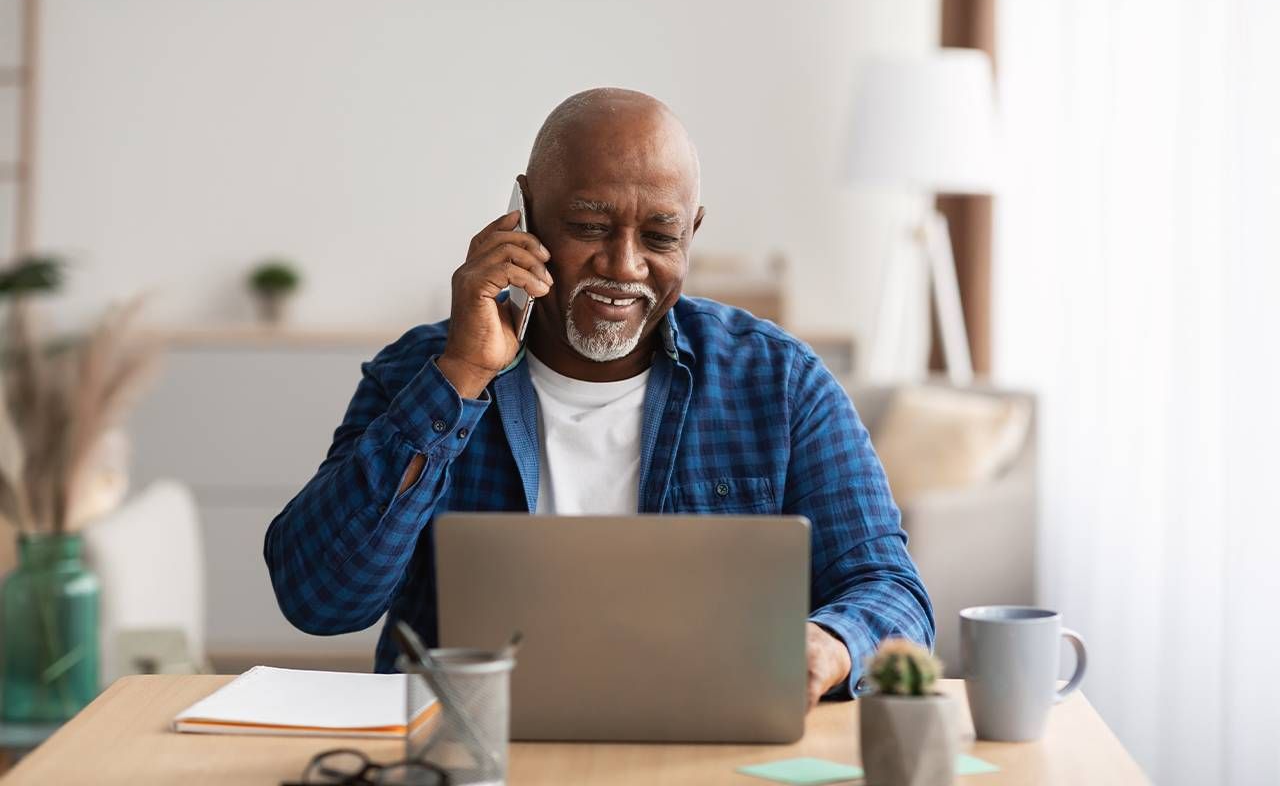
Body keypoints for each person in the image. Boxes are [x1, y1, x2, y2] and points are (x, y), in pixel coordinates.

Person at [264, 87, 933, 708]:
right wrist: (462, 374)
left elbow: (892, 591)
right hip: (471, 750)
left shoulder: (779, 382)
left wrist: (833, 642)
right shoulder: (420, 373)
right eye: (589, 226)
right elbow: (319, 600)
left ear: (692, 231)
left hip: (700, 752)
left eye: (660, 237)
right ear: (522, 216)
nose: (624, 265)